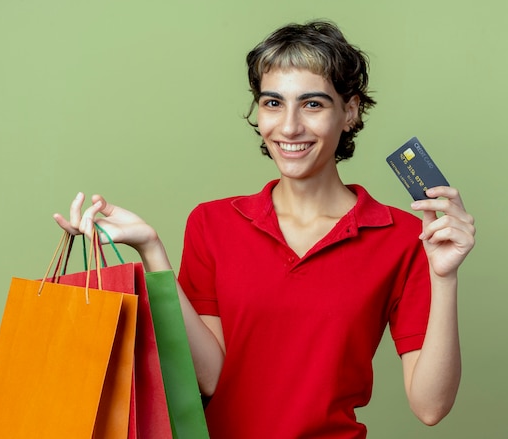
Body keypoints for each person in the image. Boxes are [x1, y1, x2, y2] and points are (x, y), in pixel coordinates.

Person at [54, 20, 475, 439]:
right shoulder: (212, 223)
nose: (289, 127)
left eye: (312, 104)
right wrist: (152, 251)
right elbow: (212, 379)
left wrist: (445, 277)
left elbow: (431, 407)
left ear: (349, 111)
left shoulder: (401, 236)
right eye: (273, 103)